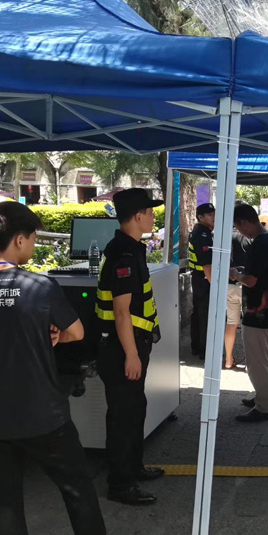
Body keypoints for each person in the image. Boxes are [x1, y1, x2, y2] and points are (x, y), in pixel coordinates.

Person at [0, 202, 135, 535]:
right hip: (41, 409)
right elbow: (75, 332)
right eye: (33, 238)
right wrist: (53, 334)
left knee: (5, 493)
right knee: (75, 483)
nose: (34, 246)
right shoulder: (38, 286)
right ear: (19, 240)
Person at [95, 188, 165, 506]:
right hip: (122, 349)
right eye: (150, 212)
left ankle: (134, 468)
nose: (153, 217)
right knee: (123, 417)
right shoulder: (124, 255)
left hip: (130, 344)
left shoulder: (130, 248)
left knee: (135, 409)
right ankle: (121, 484)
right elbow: (122, 312)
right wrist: (132, 355)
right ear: (138, 216)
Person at [230, 204, 268, 422]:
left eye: (238, 226)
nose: (239, 231)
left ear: (245, 222)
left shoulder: (258, 245)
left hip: (258, 311)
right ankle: (265, 397)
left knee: (257, 361)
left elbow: (252, 280)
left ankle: (263, 406)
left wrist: (236, 275)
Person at [188, 203, 216, 359]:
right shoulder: (202, 235)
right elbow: (206, 265)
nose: (213, 217)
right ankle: (205, 350)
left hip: (200, 278)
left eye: (214, 214)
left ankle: (197, 346)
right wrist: (215, 286)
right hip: (204, 279)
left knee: (199, 313)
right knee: (204, 315)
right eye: (210, 215)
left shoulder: (202, 232)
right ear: (200, 217)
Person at [226, 225, 250, 370]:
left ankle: (228, 360)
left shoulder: (223, 236)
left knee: (231, 323)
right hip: (246, 284)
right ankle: (249, 362)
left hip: (229, 285)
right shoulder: (248, 237)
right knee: (248, 325)